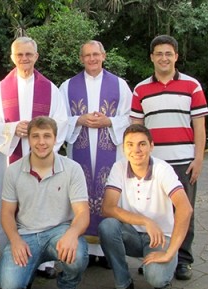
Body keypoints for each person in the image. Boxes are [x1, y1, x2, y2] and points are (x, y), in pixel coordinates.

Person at [0, 36, 68, 278]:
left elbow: (61, 123)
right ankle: (12, 254)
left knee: (41, 203)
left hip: (42, 160)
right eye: (19, 54)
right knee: (11, 205)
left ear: (36, 57)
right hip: (11, 158)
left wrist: (41, 140)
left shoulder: (50, 90)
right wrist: (13, 129)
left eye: (29, 54)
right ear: (12, 57)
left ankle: (44, 261)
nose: (24, 59)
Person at [131, 35, 208, 280]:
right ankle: (153, 255)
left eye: (168, 53)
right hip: (152, 163)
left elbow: (199, 126)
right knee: (153, 211)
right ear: (152, 57)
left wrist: (198, 159)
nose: (163, 58)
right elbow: (136, 129)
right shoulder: (140, 89)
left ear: (176, 56)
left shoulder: (192, 86)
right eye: (159, 54)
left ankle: (182, 260)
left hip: (184, 161)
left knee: (184, 211)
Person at [0, 116, 89, 289]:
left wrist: (72, 234)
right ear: (28, 139)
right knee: (9, 286)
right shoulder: (13, 171)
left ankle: (69, 286)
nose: (41, 142)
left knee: (78, 254)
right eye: (35, 136)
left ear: (55, 139)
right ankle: (27, 275)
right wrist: (15, 240)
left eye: (47, 136)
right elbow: (7, 213)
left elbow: (82, 213)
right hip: (27, 235)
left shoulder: (72, 169)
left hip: (60, 232)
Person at [98, 124, 193, 289]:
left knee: (156, 278)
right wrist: (145, 221)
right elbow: (108, 208)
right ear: (124, 148)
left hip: (160, 238)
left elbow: (185, 208)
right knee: (107, 226)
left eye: (142, 144)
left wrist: (170, 252)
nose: (136, 150)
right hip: (132, 235)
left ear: (151, 145)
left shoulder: (162, 169)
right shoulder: (119, 168)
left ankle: (165, 267)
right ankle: (123, 283)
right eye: (130, 144)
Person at [60, 40, 131, 266]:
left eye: (95, 54)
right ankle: (86, 250)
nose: (92, 59)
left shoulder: (120, 86)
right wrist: (79, 120)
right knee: (81, 193)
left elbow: (131, 117)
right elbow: (59, 120)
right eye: (87, 55)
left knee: (108, 191)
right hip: (79, 152)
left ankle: (108, 250)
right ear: (81, 59)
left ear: (104, 55)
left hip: (110, 150)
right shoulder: (67, 87)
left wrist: (109, 121)